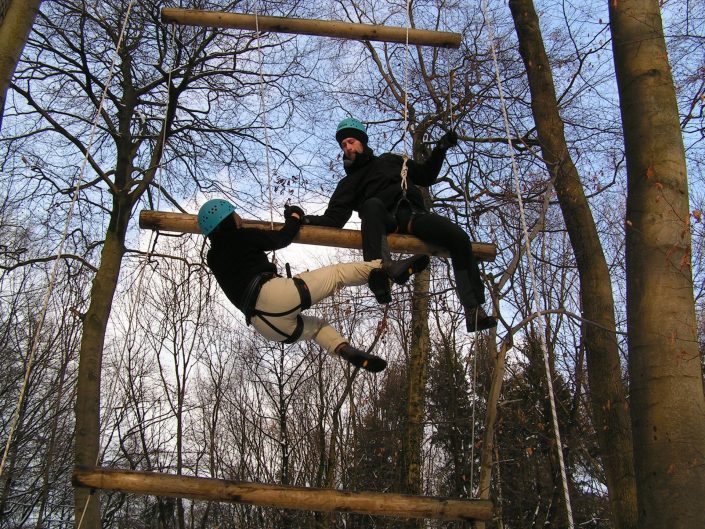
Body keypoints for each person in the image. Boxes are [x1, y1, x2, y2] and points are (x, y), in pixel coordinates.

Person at [302, 117, 496, 332]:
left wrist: (441, 148)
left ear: (362, 142)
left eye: (350, 142)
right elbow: (334, 219)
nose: (347, 147)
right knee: (372, 205)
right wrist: (305, 220)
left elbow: (426, 175)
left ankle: (474, 310)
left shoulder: (392, 161)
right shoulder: (349, 182)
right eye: (343, 145)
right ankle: (380, 274)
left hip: (414, 216)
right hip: (385, 220)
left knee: (458, 238)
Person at [198, 198, 430, 372]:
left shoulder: (213, 257)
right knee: (338, 274)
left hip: (266, 326)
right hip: (274, 296)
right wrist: (295, 217)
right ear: (229, 218)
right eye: (235, 214)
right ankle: (388, 268)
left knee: (317, 328)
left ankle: (343, 349)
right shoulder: (241, 236)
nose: (240, 218)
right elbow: (282, 239)